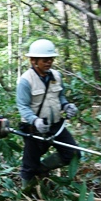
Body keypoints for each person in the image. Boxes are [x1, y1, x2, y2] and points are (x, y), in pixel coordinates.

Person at [16, 39, 80, 191]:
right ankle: (26, 192)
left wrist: (67, 105)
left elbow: (60, 97)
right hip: (33, 128)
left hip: (56, 125)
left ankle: (42, 168)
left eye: (51, 59)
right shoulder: (25, 81)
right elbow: (22, 106)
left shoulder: (56, 76)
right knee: (29, 163)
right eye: (45, 60)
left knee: (72, 153)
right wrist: (35, 121)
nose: (49, 62)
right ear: (33, 61)